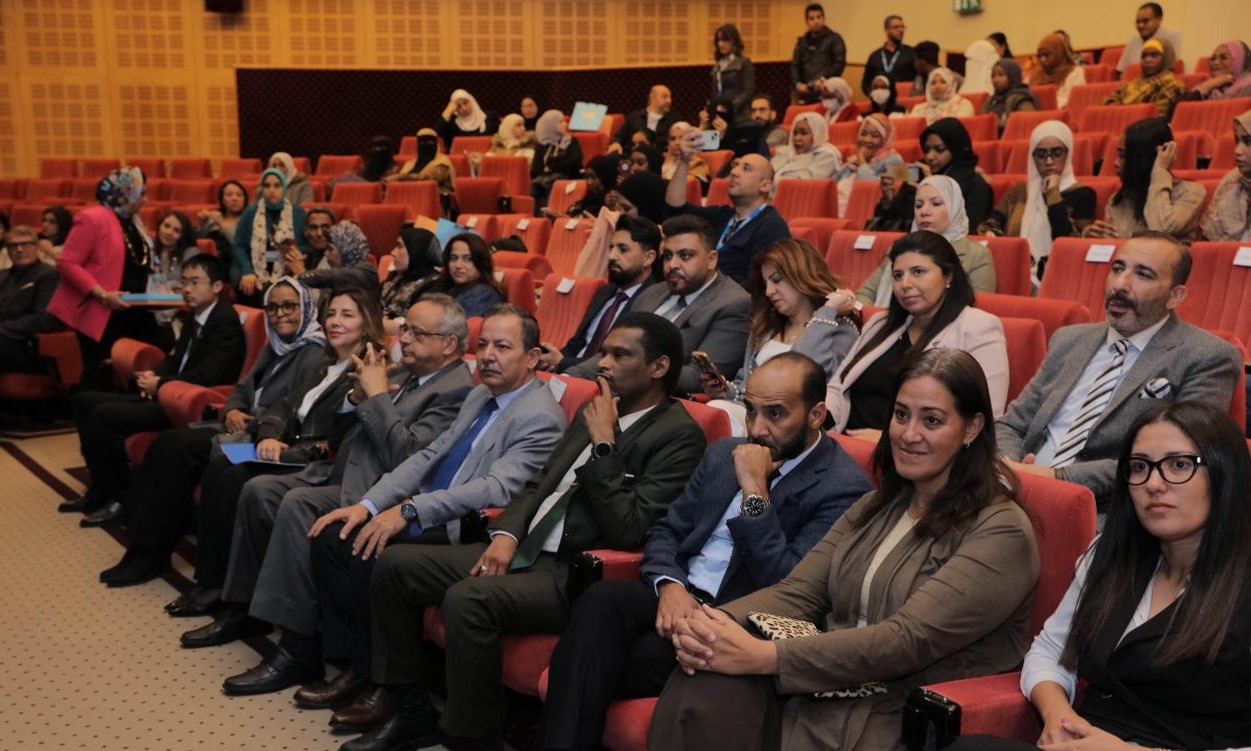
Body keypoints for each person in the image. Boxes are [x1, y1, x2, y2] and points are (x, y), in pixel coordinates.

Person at [344, 312, 705, 751]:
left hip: (571, 571)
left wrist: (603, 446)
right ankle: (408, 706)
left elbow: (629, 529)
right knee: (396, 565)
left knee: (468, 600)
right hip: (526, 548)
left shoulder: (679, 435)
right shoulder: (595, 409)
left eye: (620, 355)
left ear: (659, 367)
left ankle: (472, 738)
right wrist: (507, 535)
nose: (603, 364)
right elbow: (538, 485)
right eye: (604, 353)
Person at [650, 347, 1040, 751]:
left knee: (715, 683)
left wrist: (766, 656)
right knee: (705, 672)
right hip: (819, 686)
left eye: (932, 421)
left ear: (972, 428)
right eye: (901, 415)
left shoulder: (1001, 532)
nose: (909, 434)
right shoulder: (878, 505)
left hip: (892, 712)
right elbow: (798, 592)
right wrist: (710, 624)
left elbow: (905, 640)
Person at [541, 353, 875, 751]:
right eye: (750, 411)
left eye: (776, 414)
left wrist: (755, 492)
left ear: (816, 415)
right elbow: (667, 531)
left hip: (733, 621)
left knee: (592, 661)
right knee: (601, 600)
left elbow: (789, 584)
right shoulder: (723, 454)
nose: (757, 429)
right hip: (680, 596)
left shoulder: (842, 488)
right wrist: (670, 586)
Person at [300, 304, 568, 730]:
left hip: (467, 525)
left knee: (371, 551)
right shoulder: (480, 395)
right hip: (427, 508)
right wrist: (369, 505)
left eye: (502, 347)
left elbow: (496, 489)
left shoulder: (541, 416)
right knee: (335, 536)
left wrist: (410, 510)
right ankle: (359, 667)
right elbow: (429, 455)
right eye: (483, 345)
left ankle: (391, 691)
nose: (488, 356)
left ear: (533, 357)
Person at [214, 297, 478, 696]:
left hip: (379, 491)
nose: (403, 338)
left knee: (297, 505)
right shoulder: (407, 372)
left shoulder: (456, 391)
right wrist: (356, 398)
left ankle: (297, 649)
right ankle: (248, 609)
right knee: (258, 489)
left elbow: (408, 458)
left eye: (416, 333)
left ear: (450, 345)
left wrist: (377, 397)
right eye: (405, 329)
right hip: (342, 472)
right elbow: (343, 433)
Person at [955, 400, 1251, 751]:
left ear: (1224, 472)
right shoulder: (1110, 553)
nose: (1154, 483)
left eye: (1179, 465)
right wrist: (1059, 716)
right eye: (1139, 467)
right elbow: (1051, 650)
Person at [175, 288, 385, 634]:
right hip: (286, 449)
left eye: (347, 315)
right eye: (331, 314)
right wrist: (269, 435)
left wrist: (283, 450)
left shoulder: (370, 370)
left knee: (238, 480)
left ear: (367, 323)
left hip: (315, 461)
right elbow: (282, 406)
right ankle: (216, 583)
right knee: (222, 465)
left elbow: (342, 437)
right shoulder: (324, 364)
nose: (335, 321)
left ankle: (242, 608)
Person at [98, 277, 330, 586]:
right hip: (237, 428)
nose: (280, 314)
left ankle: (149, 556)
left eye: (290, 306)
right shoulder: (275, 345)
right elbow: (242, 388)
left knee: (179, 448)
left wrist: (252, 421)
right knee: (169, 444)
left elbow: (293, 412)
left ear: (307, 308)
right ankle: (143, 551)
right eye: (273, 307)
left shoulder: (314, 354)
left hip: (265, 443)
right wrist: (232, 409)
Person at [997, 233, 1242, 510]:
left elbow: (1175, 461)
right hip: (1014, 489)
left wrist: (1056, 478)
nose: (1120, 285)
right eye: (1117, 269)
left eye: (1143, 274)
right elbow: (1012, 424)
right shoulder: (1069, 340)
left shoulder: (1207, 357)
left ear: (1175, 296)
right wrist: (1009, 468)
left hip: (1105, 510)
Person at [64, 254, 246, 520]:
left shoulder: (224, 321)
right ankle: (100, 491)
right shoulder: (196, 315)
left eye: (195, 282)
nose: (186, 289)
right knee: (83, 401)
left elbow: (208, 375)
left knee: (104, 416)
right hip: (171, 392)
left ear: (217, 286)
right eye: (184, 282)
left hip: (189, 404)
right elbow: (176, 359)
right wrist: (156, 374)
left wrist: (160, 384)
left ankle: (119, 497)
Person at [832, 231, 1007, 437]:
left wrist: (888, 440)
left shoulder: (979, 328)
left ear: (948, 276)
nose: (905, 284)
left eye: (918, 272)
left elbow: (983, 419)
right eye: (898, 275)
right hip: (843, 441)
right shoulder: (879, 324)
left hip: (911, 448)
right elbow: (837, 386)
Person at [702, 239, 859, 436]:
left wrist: (827, 312)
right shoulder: (766, 326)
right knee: (713, 412)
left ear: (802, 276)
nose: (769, 292)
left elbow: (805, 373)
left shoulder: (839, 328)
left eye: (776, 280)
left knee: (718, 413)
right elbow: (745, 385)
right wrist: (727, 391)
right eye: (765, 283)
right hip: (750, 416)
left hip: (791, 425)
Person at [47, 167, 160, 387]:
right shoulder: (93, 217)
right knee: (100, 374)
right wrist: (102, 294)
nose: (145, 200)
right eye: (142, 193)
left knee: (131, 371)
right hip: (101, 309)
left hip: (132, 309)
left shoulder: (133, 221)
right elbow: (67, 263)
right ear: (124, 193)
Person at [627, 215, 750, 396]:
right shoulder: (652, 292)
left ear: (711, 260)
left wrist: (629, 368)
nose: (672, 265)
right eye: (668, 256)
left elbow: (698, 378)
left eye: (685, 256)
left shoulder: (735, 304)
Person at [665, 134, 791, 289]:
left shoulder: (772, 225)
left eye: (746, 168)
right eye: (735, 166)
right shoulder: (722, 215)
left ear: (765, 185)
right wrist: (684, 161)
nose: (734, 172)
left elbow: (763, 283)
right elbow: (676, 210)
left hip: (734, 299)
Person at [541, 214, 660, 376]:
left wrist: (563, 363)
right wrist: (550, 359)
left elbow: (618, 360)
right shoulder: (605, 292)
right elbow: (577, 344)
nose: (611, 256)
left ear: (648, 258)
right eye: (611, 248)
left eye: (623, 249)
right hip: (568, 374)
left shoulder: (653, 302)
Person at [857, 176, 997, 306]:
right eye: (918, 205)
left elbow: (976, 308)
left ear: (954, 208)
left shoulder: (977, 255)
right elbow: (865, 294)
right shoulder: (902, 249)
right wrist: (879, 319)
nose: (924, 211)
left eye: (936, 204)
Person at [979, 120, 1097, 272]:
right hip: (1015, 268)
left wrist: (1053, 193)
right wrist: (992, 233)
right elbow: (991, 223)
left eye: (1057, 153)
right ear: (1032, 157)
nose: (1049, 161)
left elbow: (1069, 241)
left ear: (1068, 154)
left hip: (1059, 271)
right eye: (1041, 155)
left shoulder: (1083, 194)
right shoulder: (1020, 192)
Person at [1084, 119, 1205, 242]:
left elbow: (1160, 230)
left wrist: (1160, 171)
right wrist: (1092, 239)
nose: (1116, 163)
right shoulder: (1120, 200)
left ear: (1147, 158)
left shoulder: (1191, 192)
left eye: (1124, 156)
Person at [231, 168, 310, 306]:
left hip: (288, 270)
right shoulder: (250, 213)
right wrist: (247, 271)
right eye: (267, 186)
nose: (272, 190)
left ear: (284, 187)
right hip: (254, 270)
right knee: (248, 288)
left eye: (277, 185)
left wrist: (293, 252)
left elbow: (308, 246)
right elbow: (239, 246)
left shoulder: (298, 213)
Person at [0, 225, 62, 375]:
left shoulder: (49, 275)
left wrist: (2, 329)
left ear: (37, 248)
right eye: (13, 245)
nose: (19, 250)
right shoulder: (2, 275)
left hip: (25, 343)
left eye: (26, 244)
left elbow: (44, 320)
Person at [915, 117, 995, 229]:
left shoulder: (976, 186)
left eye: (939, 149)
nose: (930, 157)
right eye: (927, 150)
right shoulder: (921, 174)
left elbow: (968, 230)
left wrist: (934, 189)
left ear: (956, 149)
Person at [411, 233, 504, 318]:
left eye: (468, 259)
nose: (458, 265)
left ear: (481, 262)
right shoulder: (443, 285)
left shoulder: (483, 294)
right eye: (453, 258)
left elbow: (454, 328)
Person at [835, 114, 905, 217]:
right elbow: (831, 187)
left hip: (865, 215)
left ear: (885, 139)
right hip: (836, 210)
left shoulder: (896, 160)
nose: (867, 140)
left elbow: (874, 191)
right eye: (863, 134)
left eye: (875, 136)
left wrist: (862, 161)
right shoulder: (853, 161)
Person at [290, 221, 380, 299]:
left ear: (346, 250)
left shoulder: (367, 272)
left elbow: (329, 276)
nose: (326, 253)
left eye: (330, 249)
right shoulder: (335, 272)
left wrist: (301, 274)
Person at [1103, 38, 1185, 119]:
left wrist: (1123, 111)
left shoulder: (1173, 86)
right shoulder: (1131, 85)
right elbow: (1107, 104)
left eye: (1154, 55)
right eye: (1144, 56)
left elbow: (1158, 118)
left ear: (1166, 58)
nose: (1147, 60)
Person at [1201, 110, 1251, 242]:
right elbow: (1209, 243)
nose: (1237, 151)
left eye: (1248, 142)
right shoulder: (1232, 181)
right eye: (1237, 141)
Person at [381, 228, 440, 335]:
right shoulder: (396, 277)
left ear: (416, 251)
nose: (393, 252)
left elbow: (419, 327)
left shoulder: (434, 287)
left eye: (399, 246)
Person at [388, 128, 457, 218]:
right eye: (421, 142)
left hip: (435, 206)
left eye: (430, 142)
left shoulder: (443, 162)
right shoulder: (410, 164)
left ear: (436, 144)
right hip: (409, 202)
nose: (425, 145)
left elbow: (428, 178)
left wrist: (399, 177)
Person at [769, 112, 842, 188]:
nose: (797, 138)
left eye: (804, 133)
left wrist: (767, 182)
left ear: (817, 133)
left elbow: (802, 184)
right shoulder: (786, 152)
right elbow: (767, 172)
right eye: (795, 133)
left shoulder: (827, 156)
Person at [791, 4, 846, 105]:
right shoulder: (802, 42)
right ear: (807, 22)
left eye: (819, 17)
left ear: (824, 19)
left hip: (828, 91)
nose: (816, 21)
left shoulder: (834, 39)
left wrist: (823, 80)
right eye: (812, 18)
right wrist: (797, 84)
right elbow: (795, 65)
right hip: (806, 92)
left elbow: (839, 63)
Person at [530, 109, 584, 206]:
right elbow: (536, 168)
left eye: (564, 121)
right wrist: (555, 165)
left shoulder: (571, 141)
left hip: (568, 178)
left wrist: (552, 167)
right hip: (545, 180)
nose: (565, 124)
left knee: (554, 186)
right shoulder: (542, 144)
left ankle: (551, 212)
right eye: (560, 122)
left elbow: (576, 162)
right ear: (550, 125)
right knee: (535, 187)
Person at [1116, 2, 1183, 77]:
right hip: (1135, 82)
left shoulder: (1171, 36)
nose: (1140, 25)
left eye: (1145, 21)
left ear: (1159, 20)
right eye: (1138, 22)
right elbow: (1122, 71)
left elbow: (1171, 67)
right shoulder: (1133, 41)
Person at [611, 85, 678, 155]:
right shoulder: (634, 117)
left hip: (660, 158)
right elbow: (618, 137)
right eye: (664, 97)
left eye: (670, 97)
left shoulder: (675, 120)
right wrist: (616, 143)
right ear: (652, 98)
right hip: (632, 157)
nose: (669, 101)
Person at [860, 15, 916, 97]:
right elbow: (866, 83)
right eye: (896, 27)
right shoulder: (875, 56)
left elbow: (918, 79)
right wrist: (873, 95)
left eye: (902, 27)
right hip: (880, 100)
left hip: (903, 99)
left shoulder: (911, 53)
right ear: (886, 30)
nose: (901, 30)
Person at [1031, 33, 1088, 109]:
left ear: (1059, 53)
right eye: (1040, 56)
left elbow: (1075, 101)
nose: (1043, 59)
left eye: (1046, 55)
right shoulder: (1036, 75)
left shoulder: (1074, 73)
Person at [1180, 41, 1251, 102]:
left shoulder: (1248, 86)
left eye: (1224, 57)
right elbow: (1179, 108)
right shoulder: (1210, 87)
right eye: (1213, 58)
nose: (1215, 62)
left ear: (1239, 61)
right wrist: (1209, 85)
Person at [197, 179, 248, 262]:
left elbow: (238, 244)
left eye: (239, 195)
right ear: (222, 200)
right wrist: (202, 223)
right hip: (211, 260)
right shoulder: (215, 216)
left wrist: (221, 223)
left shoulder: (249, 219)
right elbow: (201, 241)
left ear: (245, 200)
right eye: (229, 195)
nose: (234, 198)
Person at [984, 59, 1038, 135]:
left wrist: (996, 123)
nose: (995, 80)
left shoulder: (1022, 98)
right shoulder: (990, 101)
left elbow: (1025, 123)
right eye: (993, 76)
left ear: (1012, 76)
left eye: (1001, 75)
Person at [713, 24, 755, 121]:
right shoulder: (718, 65)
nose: (721, 44)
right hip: (721, 115)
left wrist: (731, 106)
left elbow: (748, 91)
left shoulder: (744, 62)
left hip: (739, 116)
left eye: (725, 40)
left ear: (734, 41)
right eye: (719, 40)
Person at [866, 162, 918, 233]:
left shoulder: (911, 190)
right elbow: (879, 218)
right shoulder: (884, 195)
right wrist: (888, 198)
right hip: (884, 231)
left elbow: (908, 220)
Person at [911, 67, 975, 124]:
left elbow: (957, 128)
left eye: (943, 82)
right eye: (933, 83)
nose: (937, 86)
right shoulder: (919, 108)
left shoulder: (963, 105)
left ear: (951, 85)